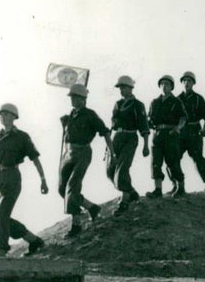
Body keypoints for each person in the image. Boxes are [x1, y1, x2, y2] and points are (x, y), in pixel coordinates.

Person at [0, 103, 49, 256]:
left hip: (12, 178)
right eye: (1, 114)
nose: (3, 116)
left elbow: (35, 158)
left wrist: (43, 179)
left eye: (6, 114)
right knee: (0, 219)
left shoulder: (22, 137)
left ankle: (1, 251)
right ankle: (33, 240)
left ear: (14, 117)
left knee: (1, 217)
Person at [59, 83, 113, 238]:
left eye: (75, 97)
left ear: (83, 99)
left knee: (72, 186)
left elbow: (105, 132)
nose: (72, 100)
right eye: (71, 97)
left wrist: (112, 151)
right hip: (68, 153)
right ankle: (92, 208)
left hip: (83, 152)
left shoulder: (90, 115)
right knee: (62, 188)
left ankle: (76, 224)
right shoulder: (70, 115)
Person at [108, 75, 150, 215]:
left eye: (124, 87)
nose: (121, 90)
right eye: (120, 88)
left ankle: (124, 202)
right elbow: (113, 123)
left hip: (130, 137)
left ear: (131, 88)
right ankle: (131, 192)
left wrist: (145, 145)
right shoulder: (117, 104)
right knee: (110, 171)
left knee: (122, 170)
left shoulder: (138, 105)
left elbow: (143, 125)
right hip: (116, 138)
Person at [146, 75, 188, 198]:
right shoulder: (155, 102)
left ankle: (181, 187)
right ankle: (157, 189)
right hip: (157, 134)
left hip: (171, 134)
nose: (164, 86)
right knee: (155, 162)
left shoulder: (176, 102)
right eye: (162, 84)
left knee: (173, 161)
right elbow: (150, 119)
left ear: (172, 87)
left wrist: (177, 128)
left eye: (167, 84)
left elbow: (183, 118)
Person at [177, 71, 205, 194]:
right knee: (173, 159)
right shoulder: (177, 99)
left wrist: (204, 128)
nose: (187, 83)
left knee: (198, 159)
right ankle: (179, 186)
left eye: (189, 81)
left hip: (194, 131)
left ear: (193, 83)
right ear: (182, 82)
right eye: (185, 81)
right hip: (181, 132)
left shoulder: (198, 98)